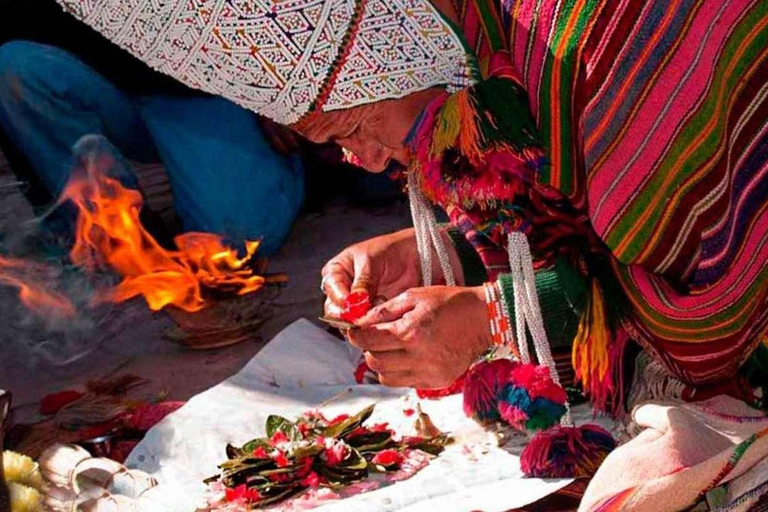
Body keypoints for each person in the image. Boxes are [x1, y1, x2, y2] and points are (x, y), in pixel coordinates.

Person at [54, 0, 768, 404]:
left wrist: (496, 317)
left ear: (405, 55)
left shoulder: (611, 64)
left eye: (353, 127)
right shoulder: (486, 47)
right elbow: (559, 196)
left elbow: (703, 310)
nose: (360, 161)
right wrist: (439, 251)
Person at [0, 0, 305, 256]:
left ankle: (293, 163)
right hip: (107, 87)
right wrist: (50, 207)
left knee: (239, 242)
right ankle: (118, 237)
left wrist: (282, 90)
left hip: (206, 83)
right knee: (14, 64)